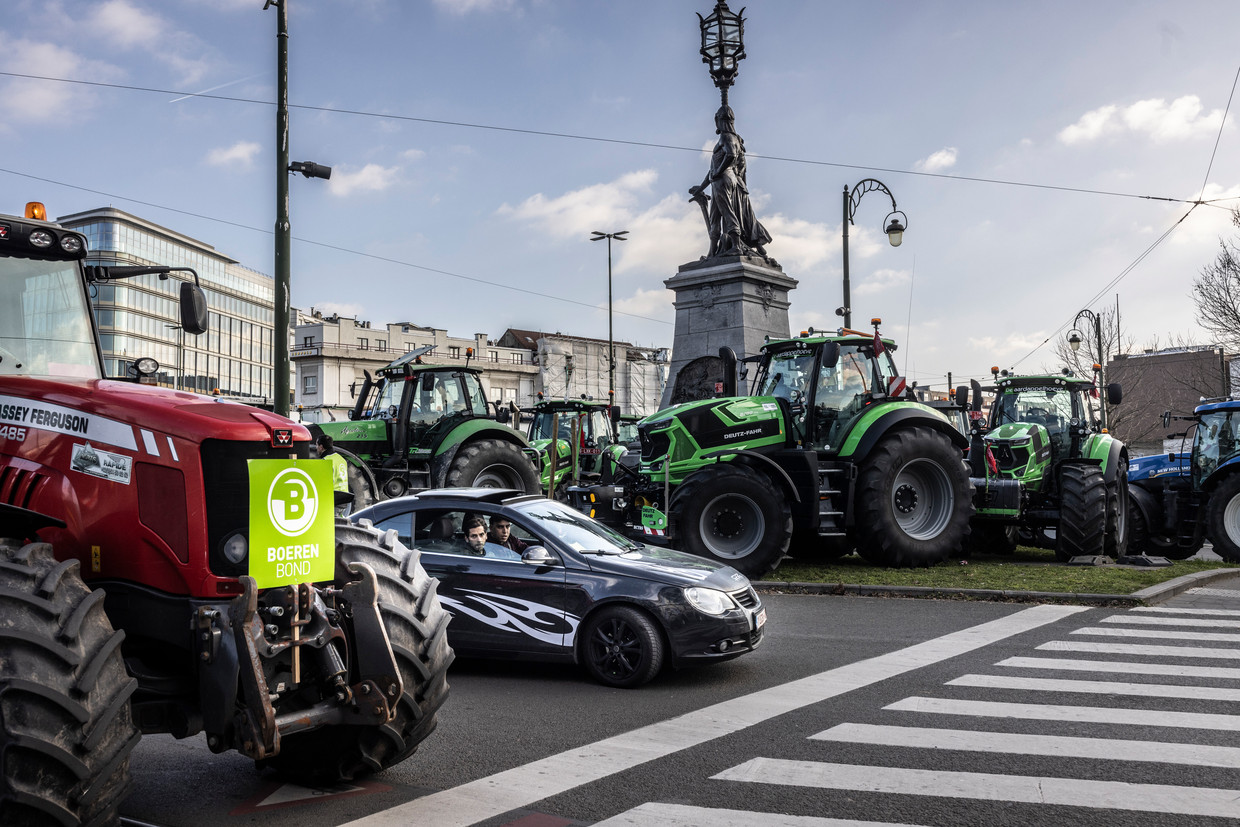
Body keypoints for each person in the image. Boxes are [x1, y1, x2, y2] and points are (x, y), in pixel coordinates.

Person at [690, 105, 773, 260]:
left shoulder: (727, 137)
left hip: (723, 180)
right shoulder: (727, 138)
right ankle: (712, 252)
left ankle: (735, 246)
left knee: (727, 212)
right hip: (718, 180)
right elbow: (712, 169)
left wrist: (719, 172)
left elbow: (731, 156)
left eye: (717, 120)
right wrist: (701, 187)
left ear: (720, 121)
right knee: (715, 215)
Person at [314, 434, 349, 516]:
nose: (316, 448)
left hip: (333, 499)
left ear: (321, 447)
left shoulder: (325, 461)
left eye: (316, 445)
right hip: (344, 498)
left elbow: (322, 484)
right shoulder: (341, 459)